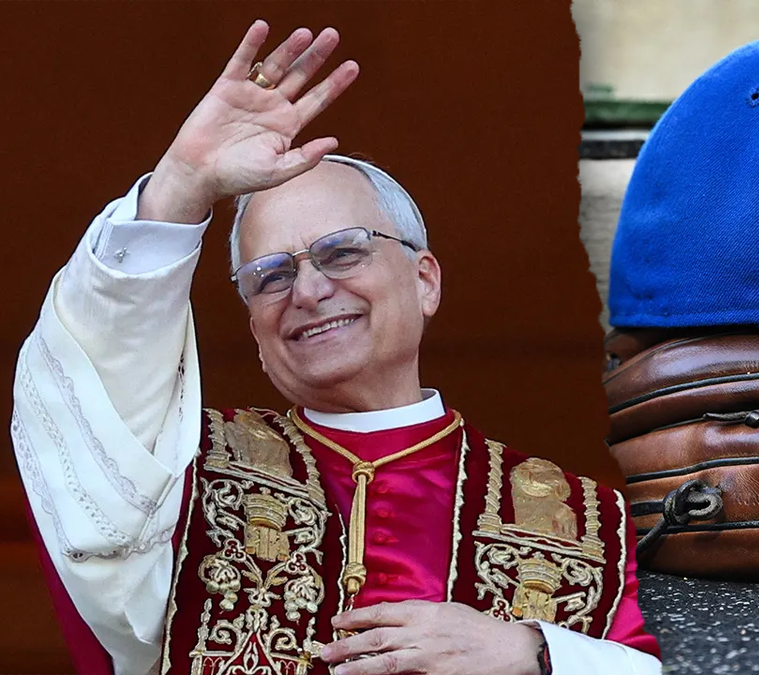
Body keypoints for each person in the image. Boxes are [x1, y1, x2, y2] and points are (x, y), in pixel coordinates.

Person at [11, 21, 660, 675]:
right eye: (271, 276)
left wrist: (537, 654)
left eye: (343, 251)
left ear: (425, 280)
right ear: (256, 329)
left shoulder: (597, 526)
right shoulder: (176, 478)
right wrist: (180, 184)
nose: (309, 289)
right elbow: (83, 399)